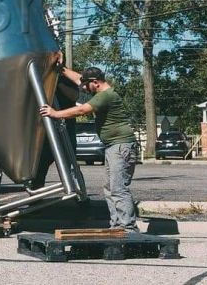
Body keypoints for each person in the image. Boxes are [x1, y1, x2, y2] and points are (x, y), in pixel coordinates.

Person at [39, 66, 139, 232]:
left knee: (118, 188)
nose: (83, 88)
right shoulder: (100, 91)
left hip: (120, 146)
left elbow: (81, 110)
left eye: (86, 85)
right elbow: (79, 79)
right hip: (114, 146)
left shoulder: (105, 96)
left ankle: (128, 227)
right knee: (110, 188)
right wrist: (61, 69)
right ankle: (117, 226)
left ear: (95, 83)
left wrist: (55, 113)